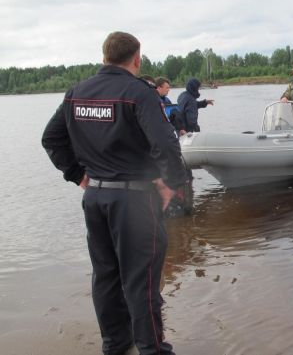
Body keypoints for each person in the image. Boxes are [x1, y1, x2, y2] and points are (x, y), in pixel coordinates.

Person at [41, 31, 187, 355]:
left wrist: (78, 175)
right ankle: (152, 349)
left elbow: (51, 139)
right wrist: (173, 183)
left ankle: (116, 345)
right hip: (134, 200)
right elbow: (166, 143)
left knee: (105, 276)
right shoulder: (139, 92)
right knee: (142, 278)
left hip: (95, 199)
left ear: (104, 57)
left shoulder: (77, 92)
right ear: (136, 59)